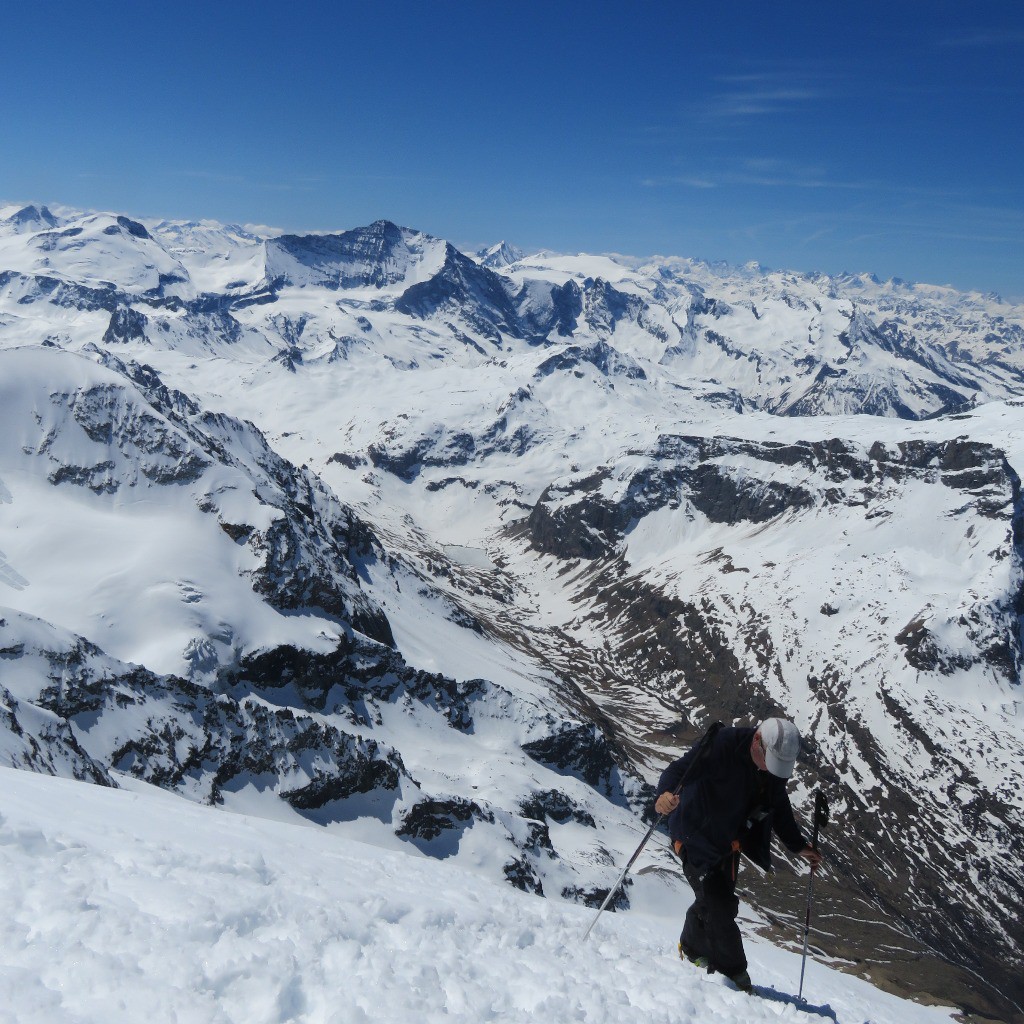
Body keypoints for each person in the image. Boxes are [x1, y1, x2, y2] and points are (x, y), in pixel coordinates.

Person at [654, 718, 822, 992]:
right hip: (693, 834)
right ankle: (735, 975)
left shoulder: (770, 768)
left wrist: (798, 846)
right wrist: (664, 795)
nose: (771, 770)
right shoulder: (722, 745)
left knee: (717, 902)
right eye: (770, 761)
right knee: (718, 905)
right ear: (757, 741)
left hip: (727, 843)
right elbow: (679, 770)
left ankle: (691, 947)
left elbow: (778, 805)